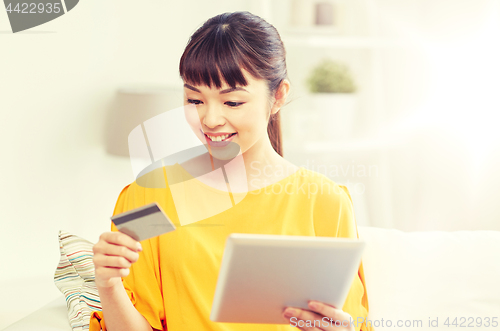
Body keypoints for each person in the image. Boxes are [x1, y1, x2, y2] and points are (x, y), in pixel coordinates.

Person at [90, 11, 373, 331]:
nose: (209, 119)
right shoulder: (151, 197)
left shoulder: (323, 202)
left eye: (232, 103)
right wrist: (109, 285)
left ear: (278, 95)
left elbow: (347, 321)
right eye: (195, 100)